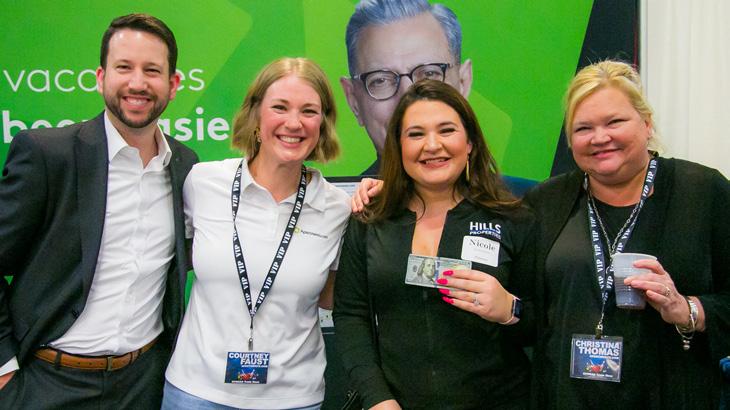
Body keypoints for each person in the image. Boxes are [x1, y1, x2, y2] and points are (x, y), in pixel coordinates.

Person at [0, 14, 198, 409]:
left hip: (143, 384)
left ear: (173, 84)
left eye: (152, 71)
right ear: (100, 77)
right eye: (124, 68)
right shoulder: (47, 155)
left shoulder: (185, 166)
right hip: (46, 383)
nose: (137, 83)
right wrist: (4, 370)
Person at [524, 60, 730, 408]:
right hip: (566, 398)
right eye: (583, 128)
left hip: (671, 394)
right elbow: (530, 309)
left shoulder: (703, 192)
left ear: (646, 123)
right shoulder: (545, 201)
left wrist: (687, 310)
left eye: (614, 122)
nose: (600, 137)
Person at [333, 80, 535, 409]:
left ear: (469, 142)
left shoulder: (512, 217)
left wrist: (510, 310)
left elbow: (546, 322)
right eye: (415, 134)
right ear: (398, 147)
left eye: (446, 130)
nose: (432, 145)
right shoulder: (372, 218)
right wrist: (377, 399)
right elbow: (350, 315)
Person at [162, 57, 351, 409]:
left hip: (292, 397)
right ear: (255, 115)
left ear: (323, 124)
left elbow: (335, 297)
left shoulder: (337, 207)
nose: (293, 123)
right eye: (280, 107)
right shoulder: (203, 183)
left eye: (309, 111)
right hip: (196, 392)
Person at [341, 0, 536, 195]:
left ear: (463, 82)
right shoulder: (347, 206)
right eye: (381, 80)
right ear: (353, 100)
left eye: (429, 73)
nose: (409, 99)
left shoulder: (525, 203)